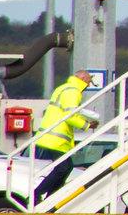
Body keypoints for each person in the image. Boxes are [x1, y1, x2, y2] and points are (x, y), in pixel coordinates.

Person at [28, 69, 94, 204]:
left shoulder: (64, 88)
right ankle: (36, 195)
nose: (88, 86)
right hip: (55, 139)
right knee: (64, 167)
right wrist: (87, 125)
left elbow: (67, 113)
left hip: (51, 137)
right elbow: (69, 116)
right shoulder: (73, 91)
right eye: (88, 82)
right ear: (83, 79)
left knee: (66, 167)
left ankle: (50, 197)